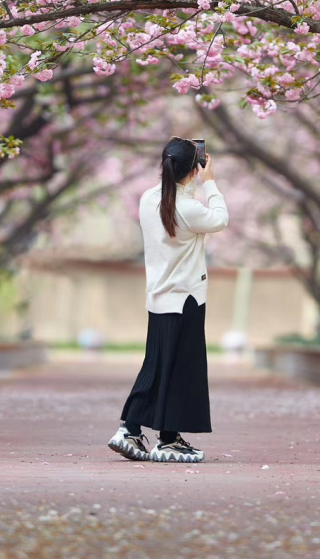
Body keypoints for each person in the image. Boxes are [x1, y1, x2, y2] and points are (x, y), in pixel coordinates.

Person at [108, 137, 229, 464]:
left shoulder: (150, 199)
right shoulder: (188, 208)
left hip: (160, 298)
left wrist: (191, 180)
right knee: (181, 370)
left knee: (161, 365)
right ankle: (138, 430)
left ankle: (162, 436)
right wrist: (211, 182)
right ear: (193, 170)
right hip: (187, 299)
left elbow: (174, 195)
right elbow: (220, 218)